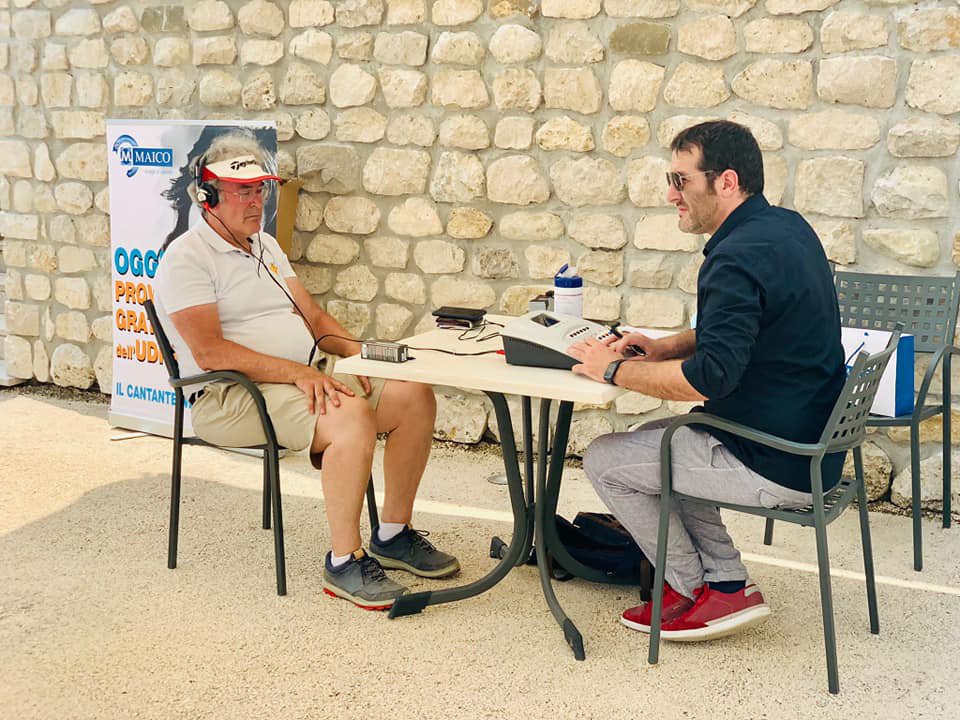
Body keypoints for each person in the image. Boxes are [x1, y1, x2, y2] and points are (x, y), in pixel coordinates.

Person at [155, 132, 459, 611]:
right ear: (208, 196)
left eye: (259, 190)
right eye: (242, 192)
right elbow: (210, 353)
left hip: (300, 373)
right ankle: (343, 562)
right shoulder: (185, 258)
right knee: (349, 416)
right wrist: (299, 374)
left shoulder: (265, 246)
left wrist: (364, 356)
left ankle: (393, 534)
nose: (255, 202)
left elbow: (314, 320)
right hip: (230, 395)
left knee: (412, 393)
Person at [568, 121, 846, 641]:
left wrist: (611, 369)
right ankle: (727, 584)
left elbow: (709, 379)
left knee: (607, 459)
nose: (671, 194)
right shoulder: (787, 228)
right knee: (665, 444)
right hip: (811, 447)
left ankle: (692, 588)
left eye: (681, 180)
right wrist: (663, 347)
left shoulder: (734, 257)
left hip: (775, 459)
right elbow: (742, 328)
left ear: (726, 181)